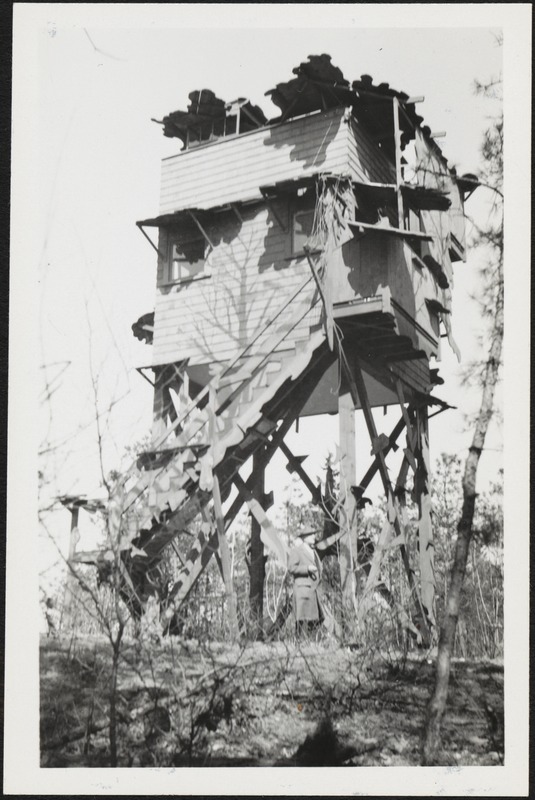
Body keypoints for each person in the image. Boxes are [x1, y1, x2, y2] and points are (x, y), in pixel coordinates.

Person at [288, 526, 324, 638]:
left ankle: (308, 643)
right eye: (311, 534)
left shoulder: (313, 551)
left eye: (314, 534)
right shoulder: (297, 551)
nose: (314, 536)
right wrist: (306, 568)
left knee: (317, 617)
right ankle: (301, 644)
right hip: (302, 590)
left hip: (313, 590)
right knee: (303, 619)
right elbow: (291, 568)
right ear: (304, 538)